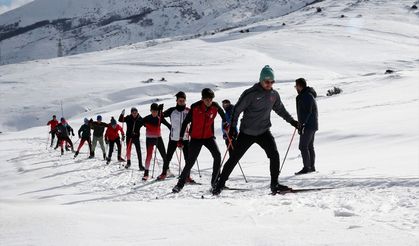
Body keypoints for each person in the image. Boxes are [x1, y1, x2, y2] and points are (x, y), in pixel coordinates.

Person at [212, 65, 300, 195]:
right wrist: (232, 128)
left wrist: (292, 121)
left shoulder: (274, 95)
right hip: (247, 132)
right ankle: (219, 185)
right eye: (266, 81)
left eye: (272, 82)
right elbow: (237, 110)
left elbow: (280, 110)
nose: (269, 84)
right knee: (234, 158)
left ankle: (274, 184)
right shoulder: (250, 93)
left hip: (264, 131)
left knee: (274, 155)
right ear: (261, 80)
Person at [172, 88, 227, 193]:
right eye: (206, 99)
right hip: (196, 138)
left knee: (217, 155)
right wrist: (180, 138)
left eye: (210, 99)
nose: (209, 102)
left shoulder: (215, 106)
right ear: (202, 99)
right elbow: (185, 123)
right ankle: (179, 185)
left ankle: (215, 182)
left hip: (208, 137)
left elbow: (223, 117)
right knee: (190, 161)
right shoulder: (195, 107)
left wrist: (226, 124)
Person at [157, 91, 191, 181]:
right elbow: (160, 117)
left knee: (188, 158)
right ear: (176, 101)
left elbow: (194, 121)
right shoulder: (172, 110)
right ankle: (164, 173)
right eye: (180, 100)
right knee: (168, 157)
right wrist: (160, 111)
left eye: (183, 100)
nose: (182, 102)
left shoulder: (188, 111)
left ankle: (187, 176)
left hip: (185, 138)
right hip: (173, 138)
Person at [294, 78, 318, 175]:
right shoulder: (307, 94)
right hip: (312, 124)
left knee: (303, 146)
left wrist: (302, 124)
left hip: (308, 125)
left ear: (300, 86)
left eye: (296, 86)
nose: (296, 88)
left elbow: (308, 111)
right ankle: (311, 167)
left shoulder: (306, 96)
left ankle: (307, 167)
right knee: (309, 146)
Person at [141, 103, 171, 180]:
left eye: (156, 111)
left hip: (158, 138)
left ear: (158, 111)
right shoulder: (147, 118)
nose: (154, 113)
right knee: (149, 156)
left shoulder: (160, 118)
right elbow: (138, 124)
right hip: (149, 139)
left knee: (164, 155)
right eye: (153, 111)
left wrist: (173, 131)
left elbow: (168, 125)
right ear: (150, 111)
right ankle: (146, 173)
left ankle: (167, 170)